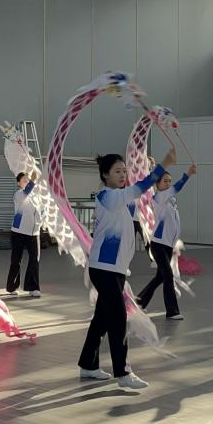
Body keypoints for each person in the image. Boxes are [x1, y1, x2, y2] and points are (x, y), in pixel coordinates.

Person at [79, 149, 175, 389]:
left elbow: (140, 193)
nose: (123, 175)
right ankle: (123, 373)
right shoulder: (107, 197)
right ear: (105, 175)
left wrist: (148, 170)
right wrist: (162, 165)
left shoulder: (121, 198)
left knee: (102, 318)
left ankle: (88, 364)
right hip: (104, 268)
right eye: (117, 171)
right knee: (118, 318)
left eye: (124, 171)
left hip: (116, 268)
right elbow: (139, 188)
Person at [137, 163, 195, 318]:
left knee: (160, 277)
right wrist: (188, 174)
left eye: (170, 181)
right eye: (165, 181)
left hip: (168, 245)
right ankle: (172, 311)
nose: (168, 183)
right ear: (157, 185)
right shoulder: (159, 197)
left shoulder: (170, 199)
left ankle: (139, 302)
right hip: (158, 245)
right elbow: (177, 187)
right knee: (168, 276)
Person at [6, 171, 42, 297]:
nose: (27, 182)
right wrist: (32, 181)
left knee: (34, 259)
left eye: (28, 180)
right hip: (18, 232)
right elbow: (27, 191)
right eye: (24, 180)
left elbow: (41, 211)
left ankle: (33, 287)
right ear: (19, 183)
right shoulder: (19, 194)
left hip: (34, 233)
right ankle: (12, 286)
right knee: (16, 260)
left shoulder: (37, 197)